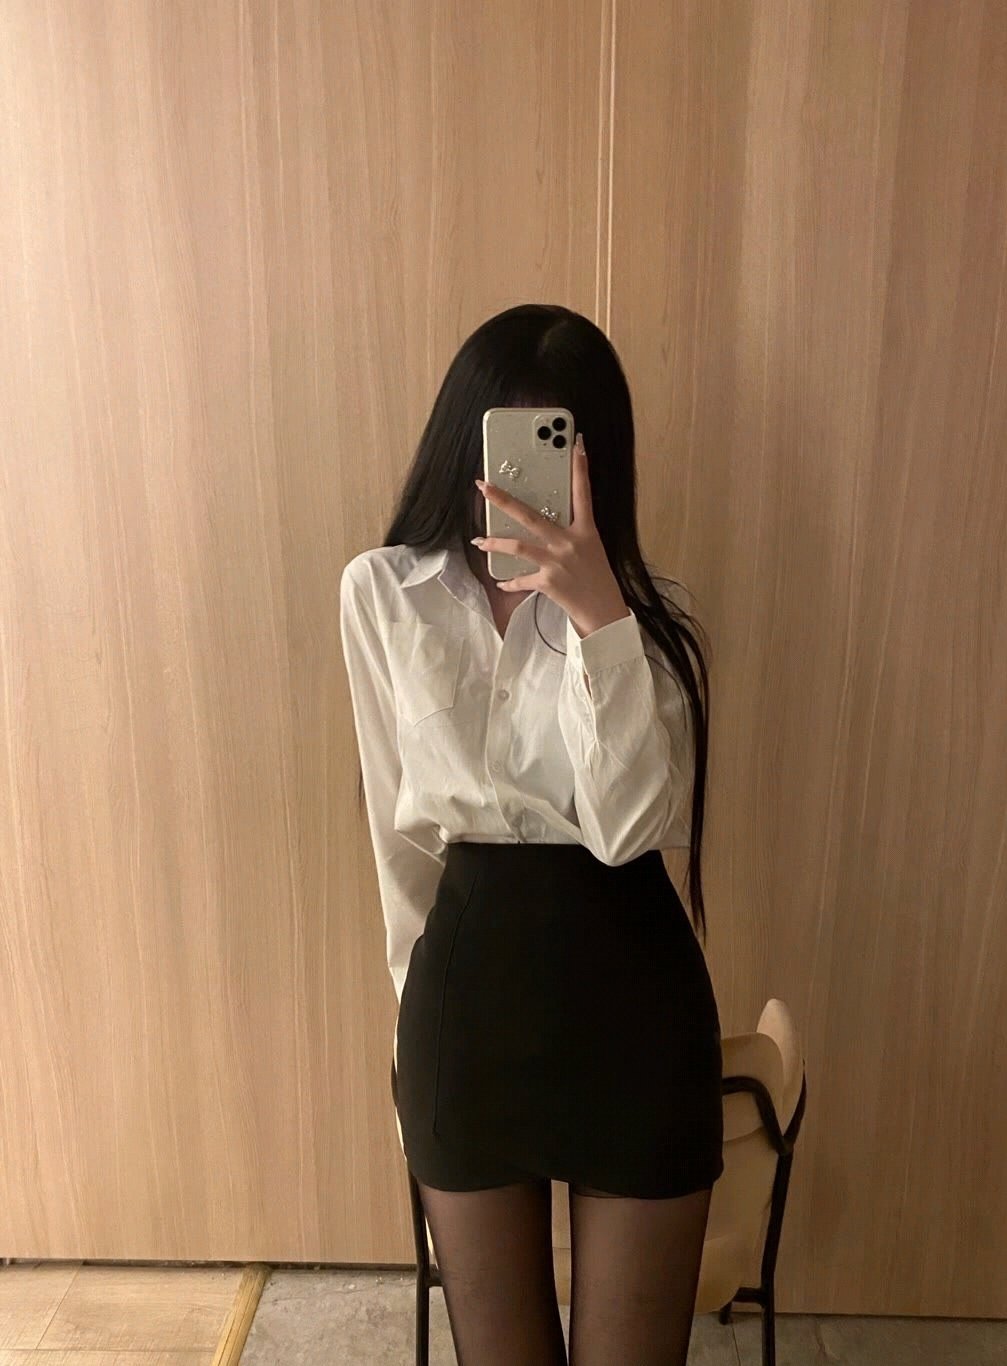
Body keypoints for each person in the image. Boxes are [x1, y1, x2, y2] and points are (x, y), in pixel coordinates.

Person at [339, 303, 724, 1365]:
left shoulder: (647, 623)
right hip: (466, 1009)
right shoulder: (385, 594)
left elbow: (633, 830)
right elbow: (397, 833)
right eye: (505, 442)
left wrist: (599, 619)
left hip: (634, 1002)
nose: (523, 479)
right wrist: (411, 1017)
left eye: (558, 449)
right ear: (462, 441)